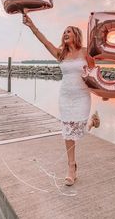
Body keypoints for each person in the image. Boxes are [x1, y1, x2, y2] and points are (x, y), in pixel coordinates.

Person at [23, 13, 100, 186]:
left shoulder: (86, 52)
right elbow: (44, 42)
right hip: (66, 96)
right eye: (64, 32)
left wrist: (104, 93)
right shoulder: (60, 54)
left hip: (82, 96)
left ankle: (91, 123)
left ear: (76, 35)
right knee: (68, 130)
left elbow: (94, 74)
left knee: (78, 128)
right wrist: (31, 25)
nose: (65, 34)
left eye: (69, 32)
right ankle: (71, 167)